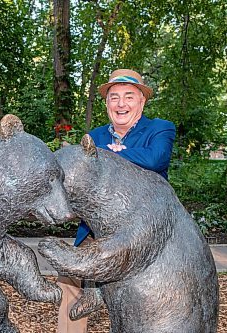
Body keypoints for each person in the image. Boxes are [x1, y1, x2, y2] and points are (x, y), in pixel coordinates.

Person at [57, 68, 176, 332]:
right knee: (70, 281)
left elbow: (156, 159)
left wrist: (106, 155)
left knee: (136, 297)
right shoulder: (95, 136)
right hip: (98, 229)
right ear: (107, 103)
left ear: (142, 101)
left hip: (144, 230)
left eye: (129, 97)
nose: (121, 104)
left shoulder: (160, 129)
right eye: (114, 97)